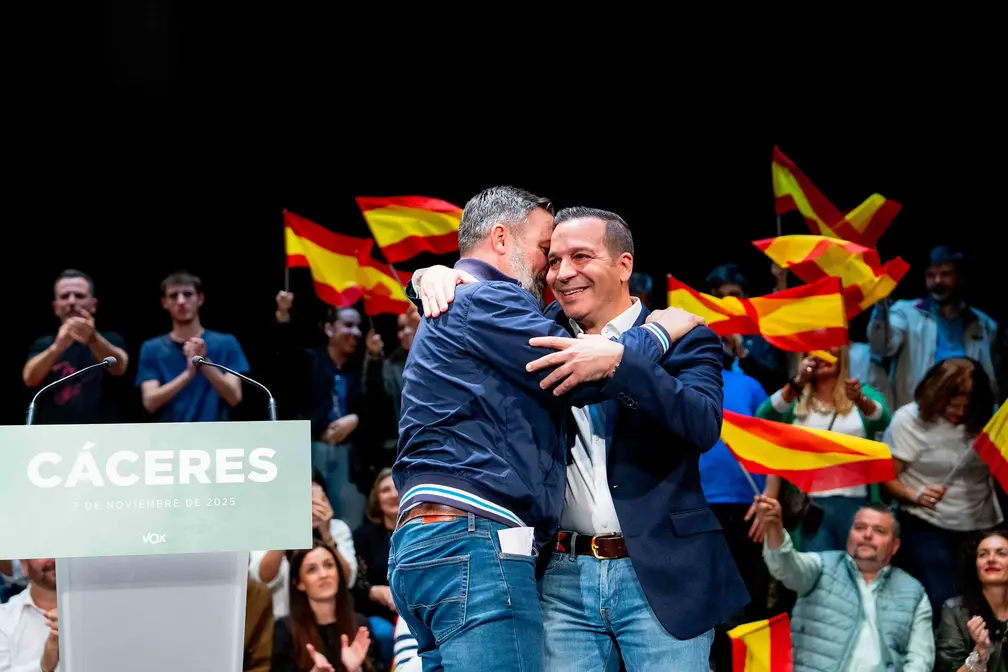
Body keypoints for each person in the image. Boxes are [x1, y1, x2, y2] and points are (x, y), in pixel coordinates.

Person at [387, 186, 687, 672]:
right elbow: (577, 374)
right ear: (501, 239)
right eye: (546, 250)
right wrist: (658, 331)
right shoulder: (488, 299)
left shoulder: (460, 297)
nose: (553, 271)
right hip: (475, 542)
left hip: (426, 544)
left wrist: (427, 275)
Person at [526, 207, 744, 670]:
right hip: (560, 575)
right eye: (555, 260)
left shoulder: (687, 339)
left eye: (581, 257)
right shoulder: (536, 333)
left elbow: (702, 425)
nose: (563, 274)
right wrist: (437, 275)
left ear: (624, 266)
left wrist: (621, 362)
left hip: (661, 572)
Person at [754, 496, 934, 671]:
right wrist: (774, 530)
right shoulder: (821, 567)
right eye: (860, 527)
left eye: (879, 531)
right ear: (849, 535)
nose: (867, 535)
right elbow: (785, 567)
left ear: (895, 546)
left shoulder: (913, 593)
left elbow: (920, 659)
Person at [136, 271, 249, 422]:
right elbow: (149, 402)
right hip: (168, 440)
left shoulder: (226, 343)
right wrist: (188, 374)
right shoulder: (151, 348)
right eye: (174, 296)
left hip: (216, 439)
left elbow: (234, 396)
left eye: (188, 294)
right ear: (164, 303)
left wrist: (203, 361)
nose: (181, 301)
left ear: (200, 299)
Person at [23, 269, 129, 424]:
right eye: (65, 296)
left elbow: (120, 367)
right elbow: (29, 379)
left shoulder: (111, 339)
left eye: (79, 295)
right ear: (55, 307)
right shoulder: (43, 344)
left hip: (103, 433)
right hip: (53, 434)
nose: (72, 302)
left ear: (94, 305)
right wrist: (58, 347)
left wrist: (93, 339)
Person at [935, 530, 1008, 672]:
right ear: (975, 565)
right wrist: (979, 655)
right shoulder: (955, 611)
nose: (991, 559)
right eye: (983, 554)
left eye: (1001, 553)